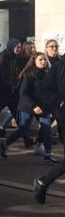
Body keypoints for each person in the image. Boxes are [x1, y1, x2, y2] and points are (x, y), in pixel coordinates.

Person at [0, 52, 55, 164]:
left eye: (44, 60)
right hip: (28, 106)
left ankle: (48, 155)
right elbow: (23, 93)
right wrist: (33, 106)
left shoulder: (48, 74)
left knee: (47, 128)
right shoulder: (29, 75)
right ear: (34, 62)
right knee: (23, 130)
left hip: (43, 107)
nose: (43, 62)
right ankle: (4, 145)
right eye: (40, 60)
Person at [34, 51, 65, 204]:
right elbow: (44, 91)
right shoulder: (59, 67)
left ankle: (43, 183)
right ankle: (43, 183)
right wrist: (60, 102)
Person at [0, 38, 26, 138]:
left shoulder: (17, 58)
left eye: (20, 47)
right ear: (11, 46)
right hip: (2, 91)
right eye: (17, 47)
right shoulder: (3, 57)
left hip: (13, 92)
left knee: (17, 114)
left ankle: (26, 138)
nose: (19, 49)